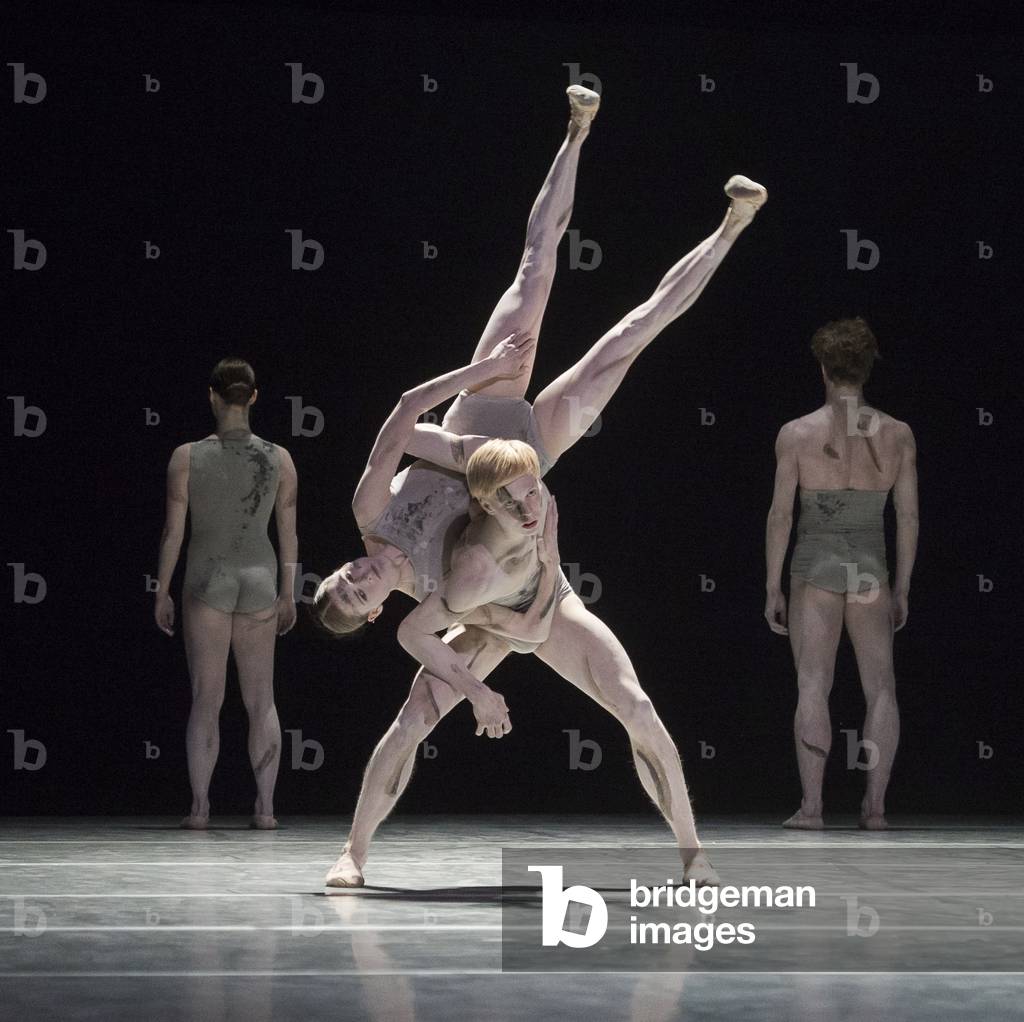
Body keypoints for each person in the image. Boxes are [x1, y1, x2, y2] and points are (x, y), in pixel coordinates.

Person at [316, 83, 768, 887]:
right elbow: (438, 628)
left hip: (484, 426)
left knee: (569, 294)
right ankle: (353, 855)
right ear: (375, 605)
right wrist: (486, 669)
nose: (359, 579)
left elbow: (402, 420)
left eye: (345, 577)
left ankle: (595, 141)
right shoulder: (421, 604)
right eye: (358, 594)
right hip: (514, 584)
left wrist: (483, 378)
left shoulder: (369, 513)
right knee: (418, 720)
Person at [764, 318, 918, 830]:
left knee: (813, 683)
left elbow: (782, 515)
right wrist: (902, 587)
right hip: (872, 565)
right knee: (882, 689)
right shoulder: (898, 434)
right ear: (867, 368)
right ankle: (874, 810)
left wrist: (772, 585)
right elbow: (909, 516)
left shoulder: (798, 433)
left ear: (824, 369)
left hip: (816, 565)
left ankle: (812, 808)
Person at [155, 358, 299, 830]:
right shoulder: (279, 459)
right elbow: (289, 535)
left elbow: (173, 533)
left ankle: (200, 808)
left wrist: (162, 591)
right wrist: (288, 594)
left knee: (206, 699)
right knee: (263, 701)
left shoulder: (187, 456)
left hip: (206, 581)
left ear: (213, 396)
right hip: (259, 580)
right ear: (254, 396)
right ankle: (265, 809)